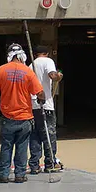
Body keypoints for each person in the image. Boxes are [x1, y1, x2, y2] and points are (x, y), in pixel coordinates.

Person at [0, 43, 45, 183]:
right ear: (22, 55)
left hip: (7, 117)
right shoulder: (28, 72)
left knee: (6, 146)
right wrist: (40, 99)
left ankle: (3, 175)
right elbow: (40, 93)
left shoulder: (0, 71)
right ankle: (19, 175)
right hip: (25, 117)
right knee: (22, 147)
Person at [28, 45, 64, 174]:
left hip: (32, 105)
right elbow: (52, 75)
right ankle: (50, 163)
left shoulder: (30, 66)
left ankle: (34, 165)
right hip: (46, 105)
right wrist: (59, 76)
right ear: (47, 53)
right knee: (49, 135)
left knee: (35, 135)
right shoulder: (48, 61)